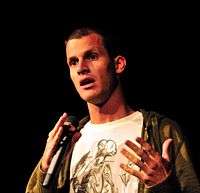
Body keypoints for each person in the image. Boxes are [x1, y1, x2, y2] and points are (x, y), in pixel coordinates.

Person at [25, 27, 200, 193]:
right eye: (73, 62)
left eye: (92, 56)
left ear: (118, 64)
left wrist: (163, 186)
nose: (81, 68)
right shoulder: (68, 143)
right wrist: (44, 169)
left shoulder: (160, 131)